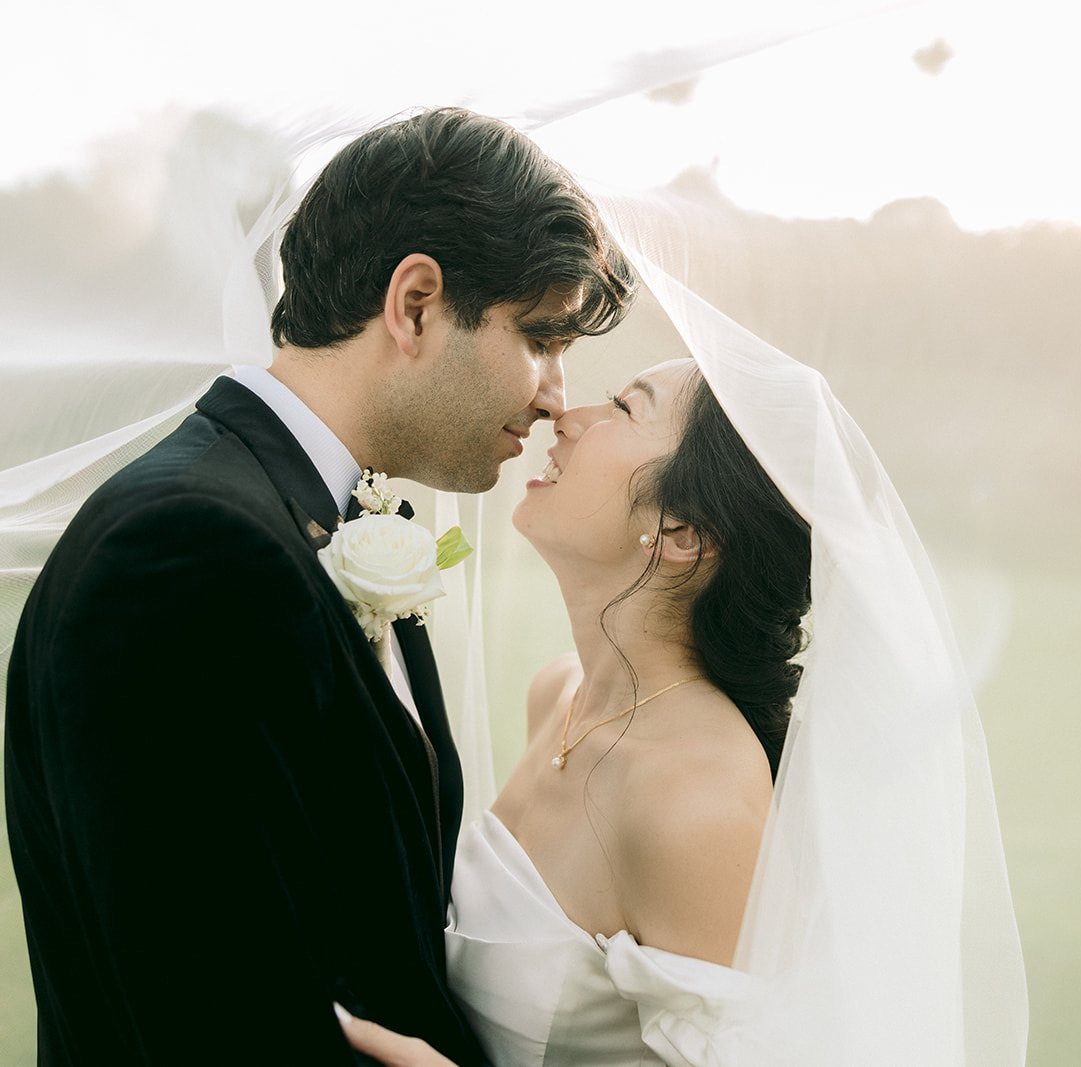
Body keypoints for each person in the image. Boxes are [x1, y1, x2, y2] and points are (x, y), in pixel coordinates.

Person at [2, 107, 634, 1065]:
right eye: (540, 337)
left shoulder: (329, 517)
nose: (554, 395)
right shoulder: (184, 552)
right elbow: (209, 1015)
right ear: (415, 304)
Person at [340, 241, 1027, 1063]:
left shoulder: (697, 804)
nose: (566, 416)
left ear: (681, 533)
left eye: (624, 410)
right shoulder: (558, 695)